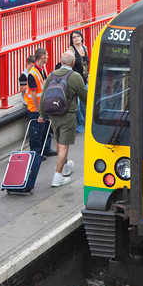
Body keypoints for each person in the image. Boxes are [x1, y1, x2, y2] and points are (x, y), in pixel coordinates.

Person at [38, 50, 87, 187]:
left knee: (59, 142)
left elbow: (43, 97)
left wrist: (42, 115)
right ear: (72, 62)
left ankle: (65, 166)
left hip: (53, 114)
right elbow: (84, 94)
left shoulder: (51, 75)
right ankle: (57, 176)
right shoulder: (74, 76)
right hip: (68, 114)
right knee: (64, 145)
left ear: (61, 62)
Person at [26, 48, 57, 158]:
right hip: (36, 108)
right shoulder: (33, 74)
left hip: (43, 105)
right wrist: (38, 109)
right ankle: (36, 152)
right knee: (36, 131)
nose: (48, 57)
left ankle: (46, 149)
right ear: (42, 56)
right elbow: (33, 94)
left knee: (45, 128)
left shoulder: (42, 69)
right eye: (47, 55)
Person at [69, 31, 89, 133]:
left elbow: (86, 63)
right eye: (74, 37)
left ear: (81, 38)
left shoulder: (85, 48)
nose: (76, 38)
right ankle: (80, 123)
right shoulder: (70, 51)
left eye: (78, 36)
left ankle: (86, 121)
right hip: (75, 80)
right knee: (76, 103)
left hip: (84, 79)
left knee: (85, 102)